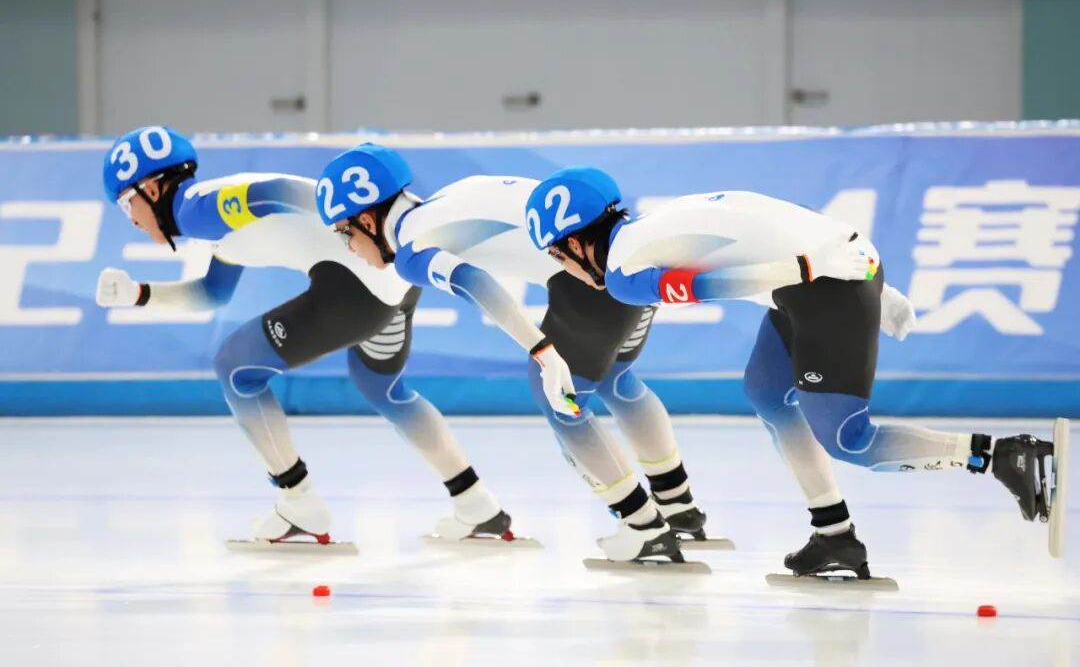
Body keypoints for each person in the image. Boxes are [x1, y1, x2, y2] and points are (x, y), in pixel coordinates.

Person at [524, 165, 1057, 578]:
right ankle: (834, 535)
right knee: (765, 390)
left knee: (850, 439)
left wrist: (816, 270)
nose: (564, 269)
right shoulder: (655, 225)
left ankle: (1000, 455)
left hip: (820, 282)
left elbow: (712, 287)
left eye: (557, 257)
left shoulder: (623, 274)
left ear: (576, 243)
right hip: (829, 266)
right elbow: (769, 213)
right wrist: (873, 279)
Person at [96, 126, 512, 546]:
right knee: (382, 387)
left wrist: (338, 216)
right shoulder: (209, 215)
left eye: (126, 203)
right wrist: (138, 294)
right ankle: (475, 501)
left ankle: (299, 501)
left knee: (235, 367)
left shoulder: (194, 211)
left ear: (152, 188)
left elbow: (277, 192)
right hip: (391, 275)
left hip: (358, 285)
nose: (130, 219)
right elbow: (212, 293)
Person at [316, 144, 711, 564]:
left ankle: (644, 527)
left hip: (588, 279)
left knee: (561, 402)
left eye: (344, 233)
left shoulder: (412, 251)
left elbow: (475, 282)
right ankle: (678, 506)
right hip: (629, 260)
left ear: (367, 220)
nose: (348, 247)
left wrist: (540, 349)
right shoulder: (451, 195)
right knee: (618, 381)